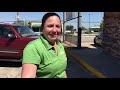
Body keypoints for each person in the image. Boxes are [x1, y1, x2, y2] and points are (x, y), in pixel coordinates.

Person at [21, 12, 67, 78]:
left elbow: (62, 71)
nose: (54, 30)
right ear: (42, 28)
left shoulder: (59, 45)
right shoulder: (33, 47)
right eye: (50, 26)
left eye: (58, 26)